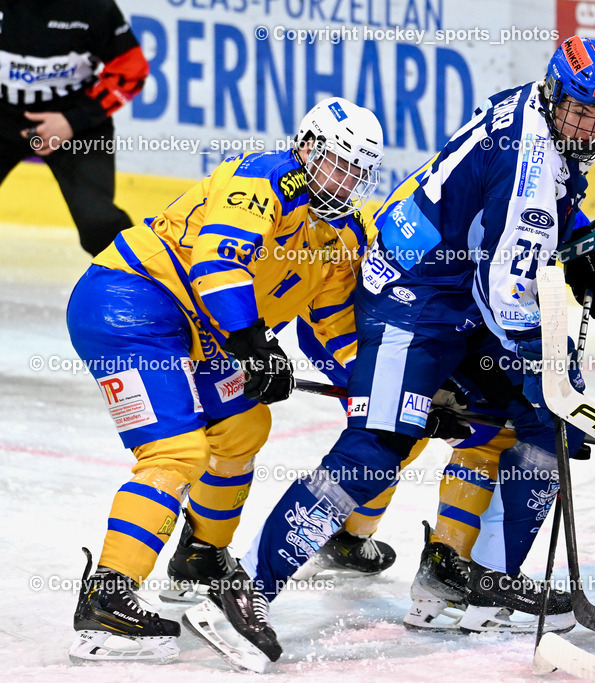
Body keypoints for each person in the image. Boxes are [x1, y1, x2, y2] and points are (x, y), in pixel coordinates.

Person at [189, 34, 595, 669]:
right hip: (412, 293)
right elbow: (505, 290)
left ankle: (474, 582)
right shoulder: (526, 157)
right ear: (557, 95)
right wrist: (545, 367)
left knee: (538, 425)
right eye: (579, 109)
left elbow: (510, 217)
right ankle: (247, 588)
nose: (587, 125)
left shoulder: (541, 119)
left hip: (454, 290)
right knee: (381, 444)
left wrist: (586, 234)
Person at [66, 96, 384, 665]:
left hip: (203, 336)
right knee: (175, 452)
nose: (346, 180)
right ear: (307, 148)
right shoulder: (259, 178)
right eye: (338, 162)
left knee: (243, 427)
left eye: (358, 171)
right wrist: (254, 345)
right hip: (131, 304)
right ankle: (107, 599)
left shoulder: (342, 238)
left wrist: (385, 391)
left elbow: (334, 326)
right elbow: (218, 261)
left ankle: (200, 558)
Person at [0, 0, 148, 255]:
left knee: (98, 222)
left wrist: (73, 121)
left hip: (76, 119)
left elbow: (132, 70)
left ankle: (144, 286)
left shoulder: (94, 7)